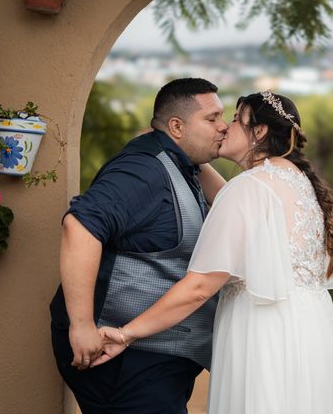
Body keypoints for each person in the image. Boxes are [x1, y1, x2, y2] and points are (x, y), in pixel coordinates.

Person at [93, 91, 333, 414]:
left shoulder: (249, 188)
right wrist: (179, 148)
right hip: (309, 334)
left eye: (234, 119)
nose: (224, 127)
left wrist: (126, 333)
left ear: (258, 132)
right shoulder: (299, 182)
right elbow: (235, 203)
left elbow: (199, 288)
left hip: (263, 336)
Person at [49, 78, 228, 414]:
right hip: (124, 358)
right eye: (212, 118)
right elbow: (79, 226)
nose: (224, 127)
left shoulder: (182, 165)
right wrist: (83, 324)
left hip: (155, 359)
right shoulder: (142, 170)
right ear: (176, 126)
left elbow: (233, 206)